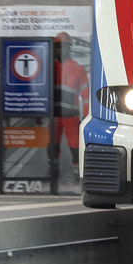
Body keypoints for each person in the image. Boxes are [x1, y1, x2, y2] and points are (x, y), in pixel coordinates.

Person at [52, 31, 89, 183]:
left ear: (69, 48)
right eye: (58, 47)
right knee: (52, 146)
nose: (61, 49)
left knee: (75, 146)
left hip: (71, 116)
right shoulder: (49, 66)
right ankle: (52, 171)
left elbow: (86, 96)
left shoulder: (78, 68)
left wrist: (85, 117)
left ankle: (76, 173)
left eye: (64, 46)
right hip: (53, 115)